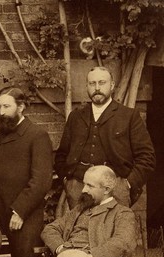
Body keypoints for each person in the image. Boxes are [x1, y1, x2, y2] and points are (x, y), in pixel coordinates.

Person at [55, 66, 155, 209]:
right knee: (81, 230)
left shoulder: (128, 116)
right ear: (87, 86)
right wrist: (67, 181)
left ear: (112, 85)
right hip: (79, 189)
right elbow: (61, 155)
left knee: (113, 230)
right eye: (92, 83)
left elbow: (147, 157)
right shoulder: (76, 117)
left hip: (115, 190)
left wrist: (127, 184)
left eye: (102, 83)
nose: (97, 88)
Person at [0, 87, 53, 257]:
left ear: (21, 107)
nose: (2, 112)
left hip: (24, 218)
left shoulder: (36, 135)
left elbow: (41, 181)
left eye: (7, 106)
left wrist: (20, 211)